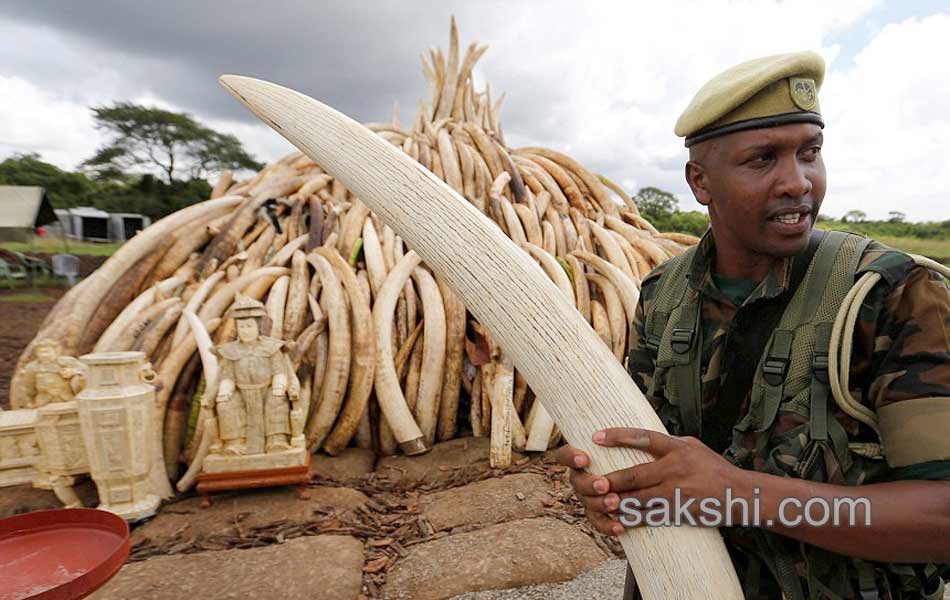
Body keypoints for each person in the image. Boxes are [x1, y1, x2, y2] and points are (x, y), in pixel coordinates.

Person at [555, 51, 950, 599]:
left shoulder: (893, 295)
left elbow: (941, 517)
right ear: (699, 181)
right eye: (763, 159)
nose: (798, 182)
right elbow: (649, 462)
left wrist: (736, 493)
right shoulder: (663, 296)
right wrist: (609, 485)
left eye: (810, 153)